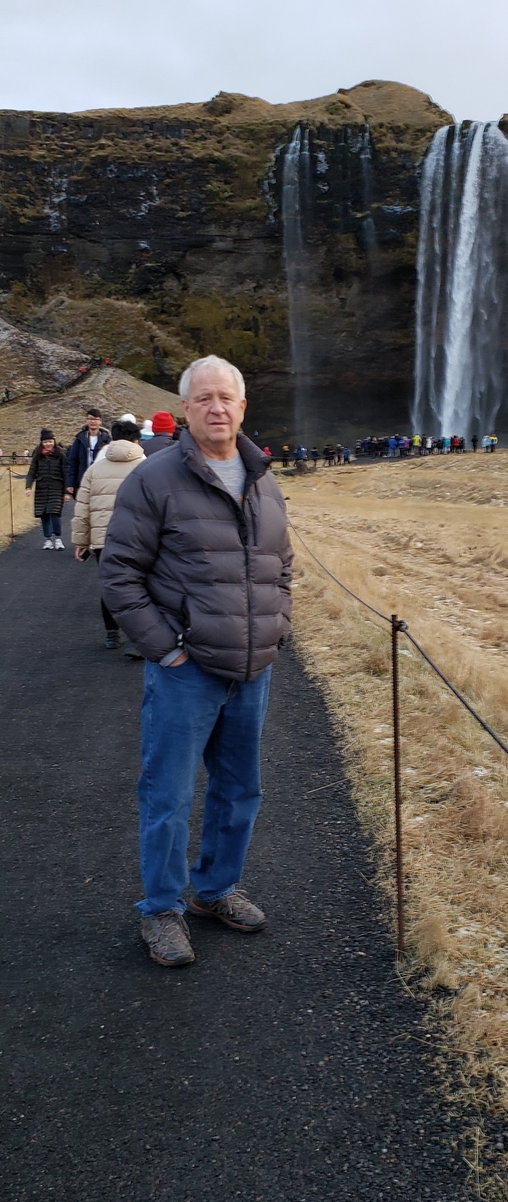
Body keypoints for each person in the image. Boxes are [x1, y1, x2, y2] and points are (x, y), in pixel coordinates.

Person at [100, 355, 293, 969]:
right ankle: (161, 908)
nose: (217, 408)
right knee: (168, 793)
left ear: (242, 406)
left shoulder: (263, 476)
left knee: (239, 790)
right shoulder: (153, 480)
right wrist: (166, 647)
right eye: (204, 398)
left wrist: (276, 627)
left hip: (251, 668)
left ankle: (215, 890)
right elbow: (119, 573)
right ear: (186, 409)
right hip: (186, 670)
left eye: (227, 398)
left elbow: (280, 563)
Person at [71, 420, 146, 646]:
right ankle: (138, 637)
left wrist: (81, 541)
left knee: (110, 585)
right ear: (136, 439)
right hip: (138, 537)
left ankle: (111, 634)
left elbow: (82, 508)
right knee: (139, 585)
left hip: (104, 538)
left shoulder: (95, 468)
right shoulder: (146, 466)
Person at [25, 429, 68, 548]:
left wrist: (66, 492)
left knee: (54, 513)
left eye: (50, 441)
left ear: (54, 441)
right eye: (45, 442)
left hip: (56, 488)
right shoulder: (38, 456)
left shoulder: (61, 455)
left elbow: (66, 473)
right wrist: (28, 486)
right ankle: (48, 539)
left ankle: (58, 539)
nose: (48, 444)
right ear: (41, 443)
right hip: (41, 488)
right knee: (43, 514)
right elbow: (32, 472)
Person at [65, 409, 111, 499]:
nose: (93, 421)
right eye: (90, 419)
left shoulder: (107, 440)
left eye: (95, 419)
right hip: (82, 480)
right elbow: (72, 463)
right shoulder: (79, 439)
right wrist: (70, 483)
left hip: (101, 481)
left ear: (100, 421)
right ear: (86, 421)